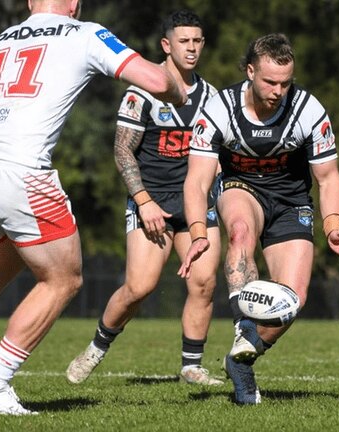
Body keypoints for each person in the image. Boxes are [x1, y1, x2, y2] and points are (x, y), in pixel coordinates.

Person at [0, 0, 186, 415]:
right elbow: (156, 82)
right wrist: (179, 89)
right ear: (74, 3)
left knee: (0, 265)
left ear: (32, 2)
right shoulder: (84, 33)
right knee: (64, 278)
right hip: (21, 174)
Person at [178, 33, 339, 405]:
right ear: (249, 72)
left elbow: (328, 178)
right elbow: (197, 180)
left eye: (285, 82)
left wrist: (333, 225)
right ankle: (243, 325)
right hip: (240, 188)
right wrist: (198, 231)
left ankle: (242, 359)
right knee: (241, 233)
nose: (279, 90)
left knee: (291, 301)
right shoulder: (218, 109)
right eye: (269, 82)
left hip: (292, 200)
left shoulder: (308, 110)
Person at [65, 10, 222, 386]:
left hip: (195, 203)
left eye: (197, 41)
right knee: (140, 287)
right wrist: (144, 201)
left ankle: (192, 366)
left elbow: (218, 153)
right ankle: (97, 347)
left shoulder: (212, 97)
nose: (192, 48)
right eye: (184, 41)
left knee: (204, 282)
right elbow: (122, 151)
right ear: (166, 45)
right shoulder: (142, 92)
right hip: (150, 201)